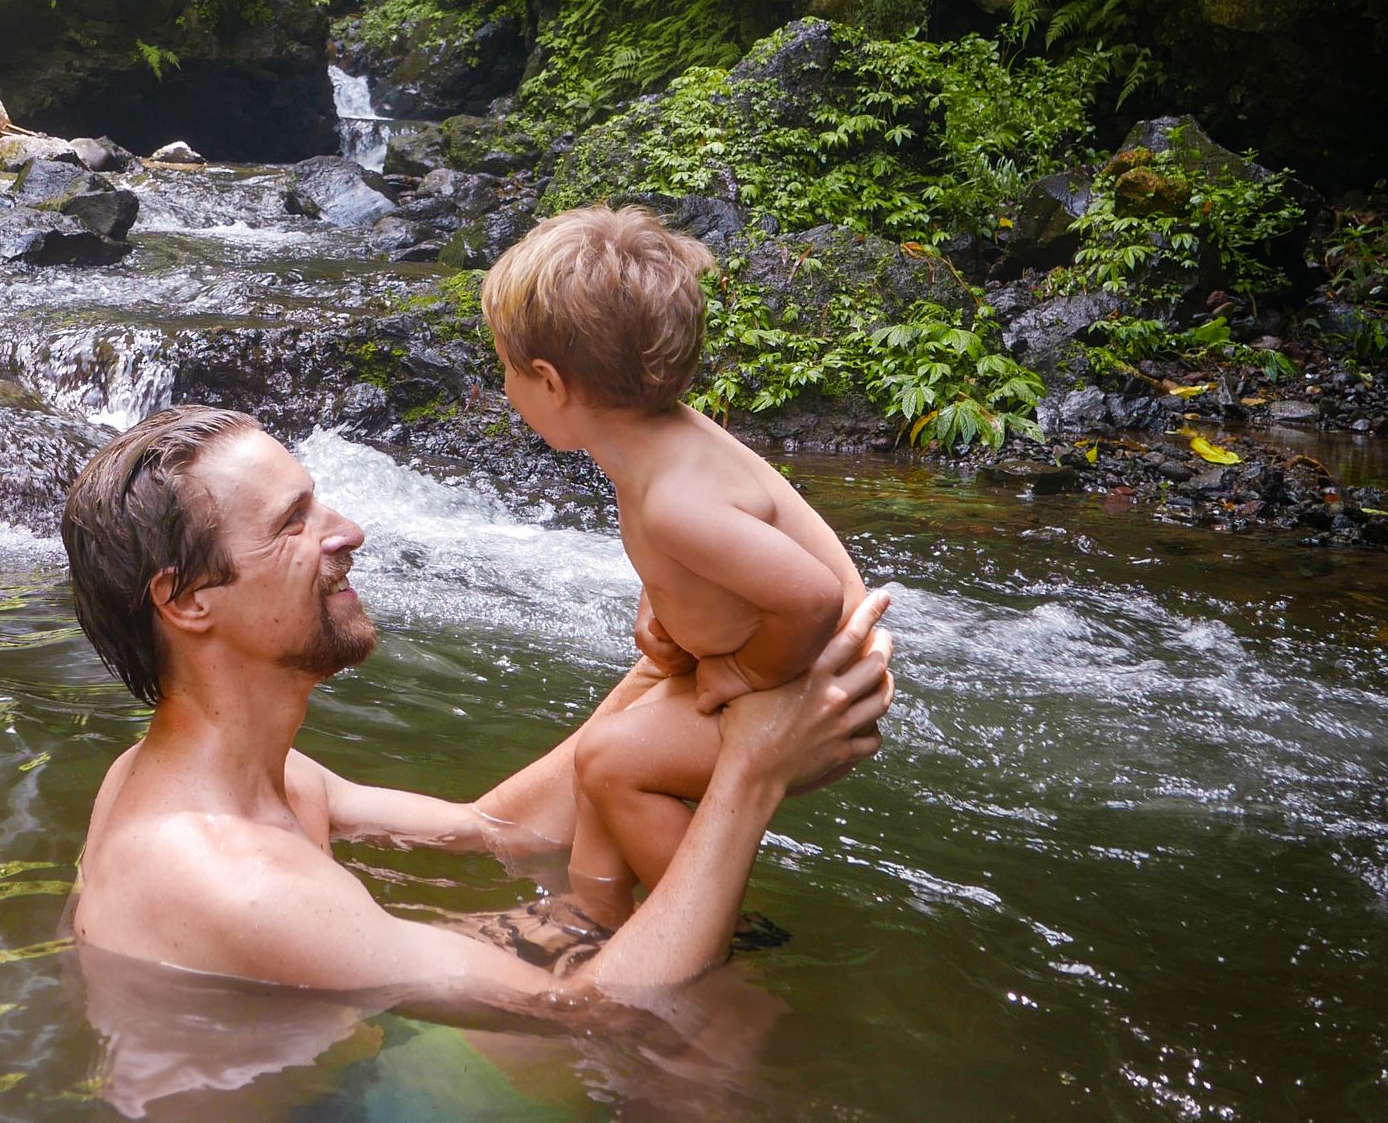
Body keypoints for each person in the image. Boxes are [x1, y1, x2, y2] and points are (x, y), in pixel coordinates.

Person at [63, 403, 892, 1008]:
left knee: (616, 929)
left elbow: (497, 827)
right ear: (186, 601)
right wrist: (752, 771)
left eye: (319, 500)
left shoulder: (242, 775)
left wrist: (687, 654)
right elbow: (600, 1015)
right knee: (714, 1032)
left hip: (339, 1084)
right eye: (292, 524)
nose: (348, 530)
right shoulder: (221, 873)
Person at [480, 206, 868, 925]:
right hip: (796, 659)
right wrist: (665, 604)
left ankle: (716, 932)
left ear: (550, 381)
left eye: (507, 369)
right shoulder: (664, 443)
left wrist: (746, 669)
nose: (505, 388)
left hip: (811, 679)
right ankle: (594, 910)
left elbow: (813, 598)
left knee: (612, 763)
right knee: (606, 760)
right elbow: (724, 547)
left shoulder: (674, 501)